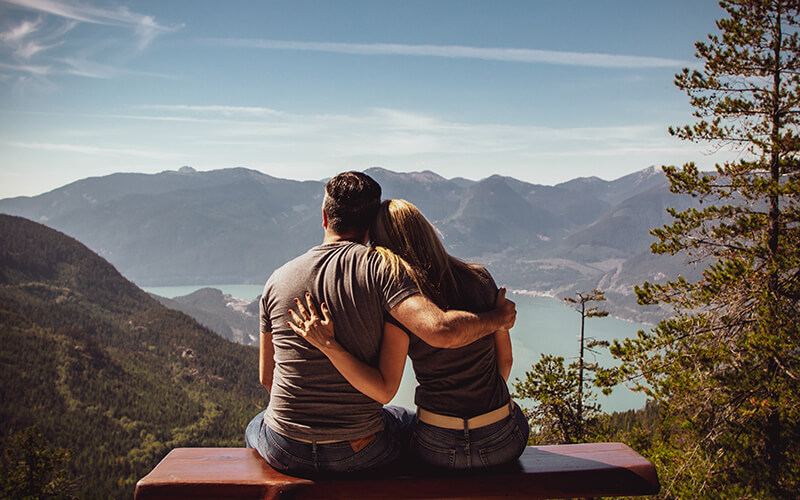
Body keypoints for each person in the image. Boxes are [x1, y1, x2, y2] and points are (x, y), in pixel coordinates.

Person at [245, 172, 517, 477]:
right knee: (401, 419)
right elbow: (439, 333)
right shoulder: (384, 271)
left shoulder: (276, 280)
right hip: (361, 450)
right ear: (371, 224)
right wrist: (498, 319)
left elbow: (268, 379)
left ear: (324, 217)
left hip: (286, 447)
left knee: (257, 424)